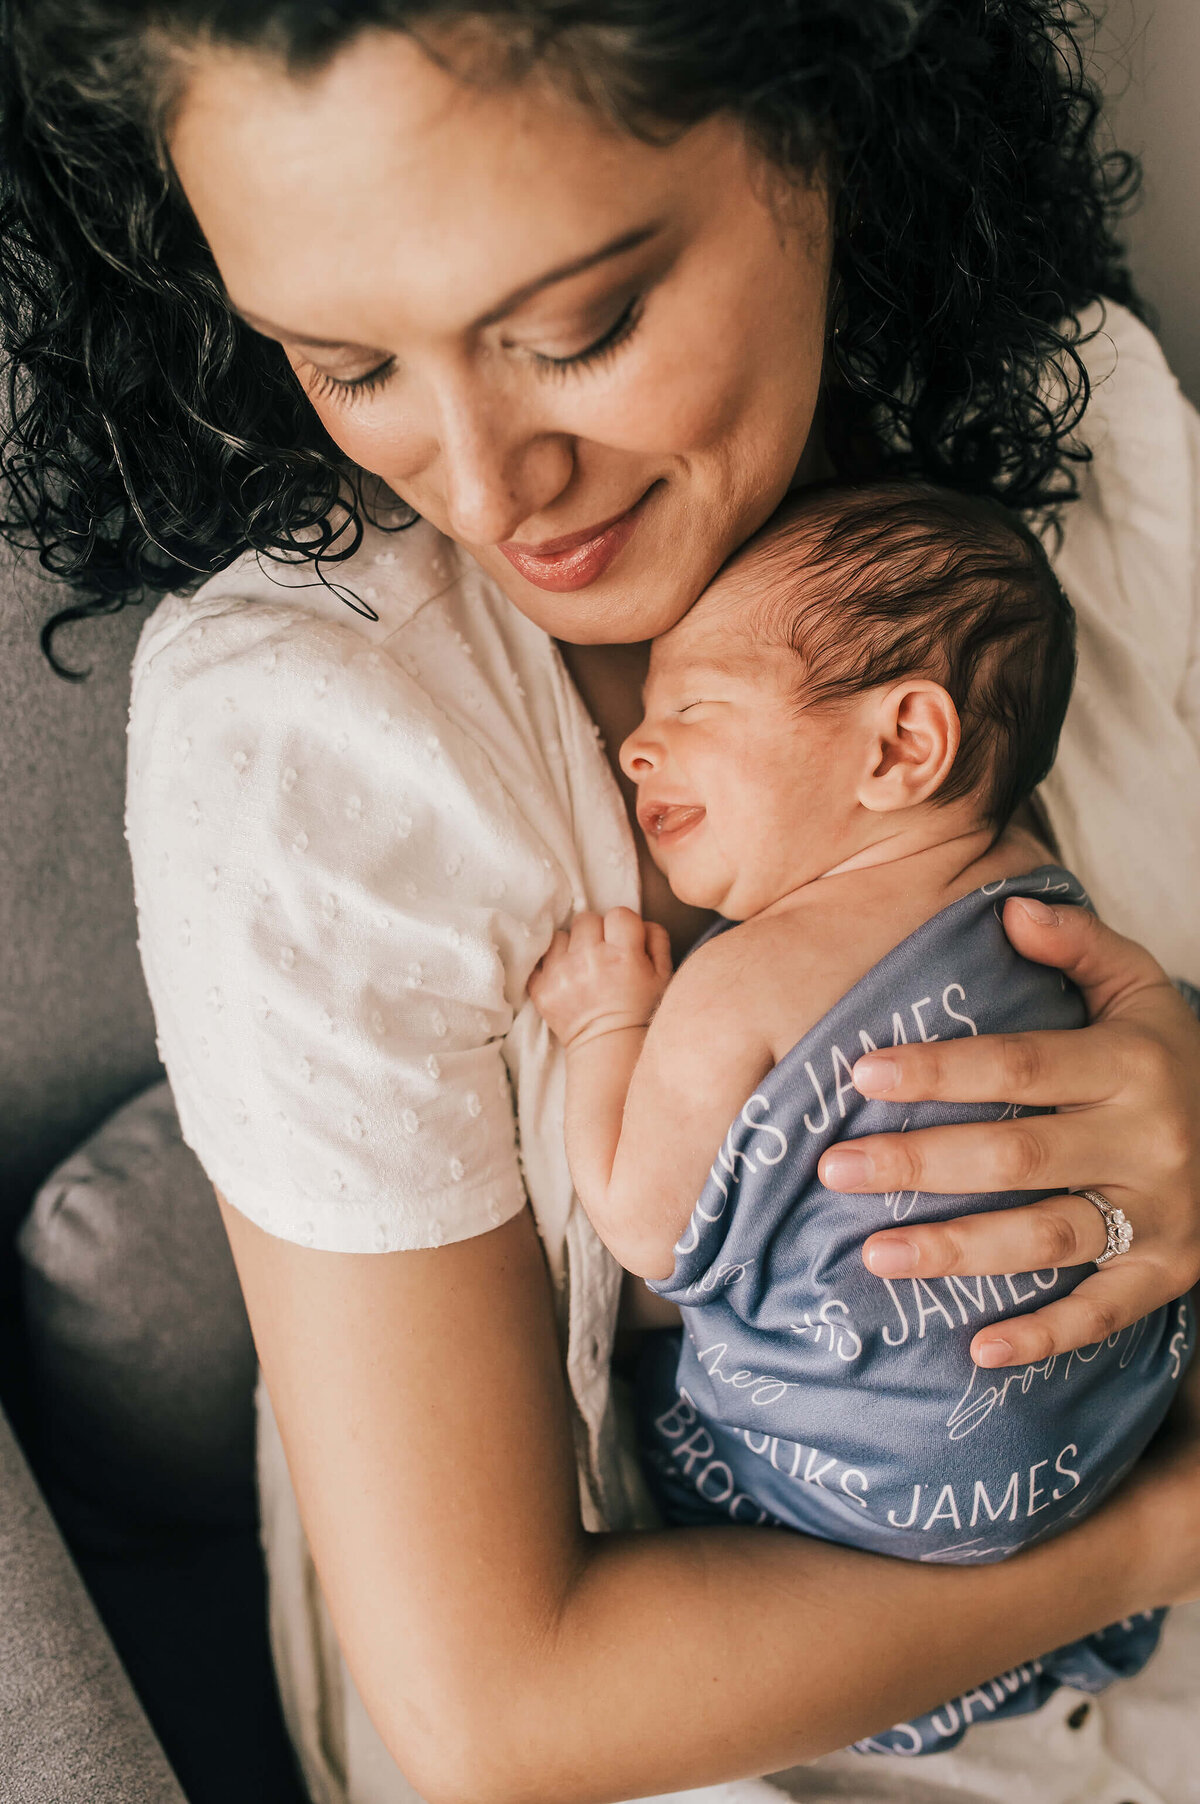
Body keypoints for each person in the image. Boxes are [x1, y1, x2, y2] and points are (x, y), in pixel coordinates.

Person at [4, 4, 1200, 1801]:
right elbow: (503, 1711)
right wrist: (1147, 1542)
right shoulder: (312, 740)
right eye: (347, 364)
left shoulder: (1078, 423)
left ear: (827, 116)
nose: (486, 486)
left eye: (582, 329)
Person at [529, 478, 1193, 1757]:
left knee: (672, 1365)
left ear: (900, 747)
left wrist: (605, 1023)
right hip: (1105, 1442)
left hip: (853, 1521)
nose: (634, 747)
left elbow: (643, 1229)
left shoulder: (741, 981)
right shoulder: (1044, 908)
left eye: (696, 710)